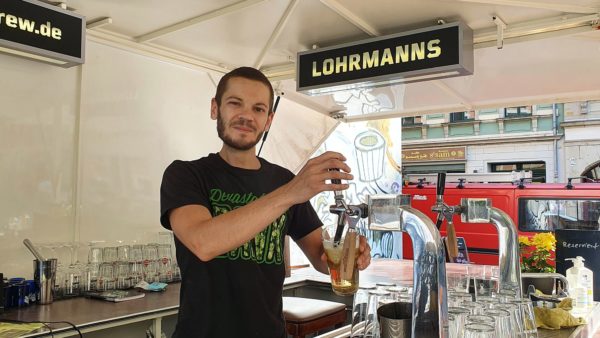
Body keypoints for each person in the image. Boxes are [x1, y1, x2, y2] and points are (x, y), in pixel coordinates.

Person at [160, 66, 371, 338]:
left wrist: (347, 254)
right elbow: (203, 242)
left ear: (269, 120)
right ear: (215, 109)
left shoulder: (283, 180)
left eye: (258, 109)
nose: (246, 116)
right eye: (235, 103)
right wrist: (289, 192)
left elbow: (320, 258)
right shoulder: (186, 175)